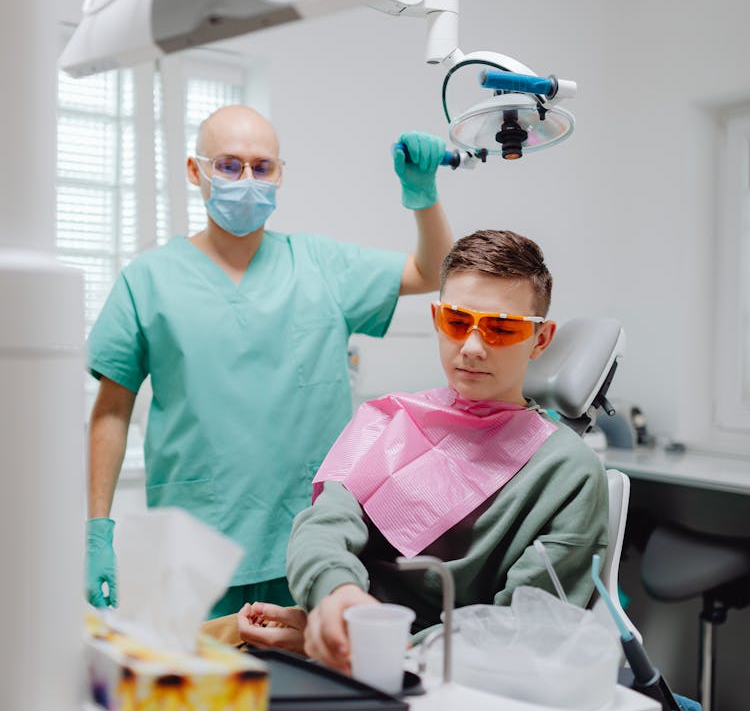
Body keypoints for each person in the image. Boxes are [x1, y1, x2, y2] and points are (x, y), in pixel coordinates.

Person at [85, 104, 453, 615]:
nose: (247, 180)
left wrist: (423, 198)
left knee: (309, 685)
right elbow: (110, 410)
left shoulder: (322, 265)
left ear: (281, 175)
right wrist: (98, 529)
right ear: (197, 171)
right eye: (229, 165)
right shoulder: (147, 280)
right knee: (200, 689)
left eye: (262, 167)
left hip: (308, 542)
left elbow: (436, 272)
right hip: (194, 545)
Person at [235, 228, 609, 672]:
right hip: (352, 655)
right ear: (436, 318)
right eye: (456, 322)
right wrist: (336, 602)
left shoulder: (567, 473)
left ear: (541, 340)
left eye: (501, 329)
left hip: (454, 681)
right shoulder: (392, 421)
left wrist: (384, 644)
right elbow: (323, 528)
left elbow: (528, 625)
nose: (471, 348)